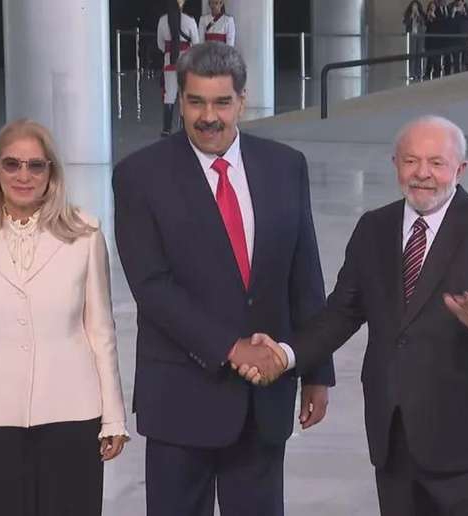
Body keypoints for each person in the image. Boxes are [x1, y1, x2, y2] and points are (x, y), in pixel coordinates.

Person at [239, 115, 468, 516]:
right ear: (395, 164)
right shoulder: (374, 227)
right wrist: (285, 354)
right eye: (411, 161)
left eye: (436, 163)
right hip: (395, 435)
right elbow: (342, 312)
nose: (422, 173)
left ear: (461, 169)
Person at [112, 42, 335, 516]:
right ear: (180, 99)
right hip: (180, 397)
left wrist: (316, 370)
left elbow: (304, 275)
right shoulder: (140, 176)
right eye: (196, 102)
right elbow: (152, 287)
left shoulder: (285, 166)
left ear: (242, 101)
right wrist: (232, 348)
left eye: (221, 102)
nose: (208, 117)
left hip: (263, 399)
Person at [0, 119, 129, 516]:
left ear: (51, 173)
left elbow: (100, 331)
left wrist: (113, 417)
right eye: (12, 164)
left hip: (73, 414)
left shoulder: (85, 235)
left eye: (35, 165)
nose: (23, 176)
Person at [157, 0, 199, 137]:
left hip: (169, 61)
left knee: (169, 95)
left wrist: (169, 52)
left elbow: (160, 45)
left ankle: (166, 129)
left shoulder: (162, 20)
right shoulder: (190, 20)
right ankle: (185, 127)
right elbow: (196, 44)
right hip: (186, 63)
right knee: (185, 94)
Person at [403, 1, 427, 81]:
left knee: (419, 53)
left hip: (420, 35)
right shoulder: (408, 14)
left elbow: (423, 22)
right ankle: (411, 73)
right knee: (412, 54)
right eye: (413, 6)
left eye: (416, 6)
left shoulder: (421, 14)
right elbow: (405, 22)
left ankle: (418, 72)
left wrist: (418, 15)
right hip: (412, 35)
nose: (415, 7)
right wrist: (411, 16)